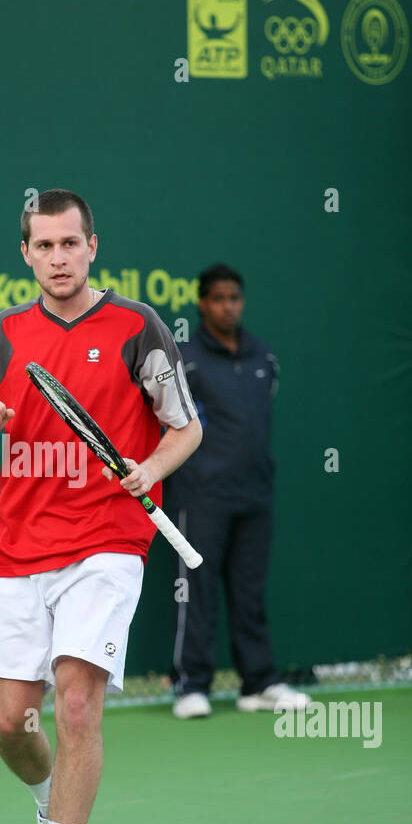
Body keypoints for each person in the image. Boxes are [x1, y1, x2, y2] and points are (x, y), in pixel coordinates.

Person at [0, 189, 202, 824]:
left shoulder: (137, 328)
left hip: (106, 541)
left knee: (76, 702)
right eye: (44, 246)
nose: (58, 258)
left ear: (93, 246)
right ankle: (49, 796)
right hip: (15, 547)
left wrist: (147, 465)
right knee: (8, 721)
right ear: (25, 254)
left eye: (71, 244)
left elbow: (184, 429)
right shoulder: (4, 333)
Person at [165, 263, 308, 719]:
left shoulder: (263, 356)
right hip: (200, 496)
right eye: (219, 299)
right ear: (203, 304)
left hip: (255, 494)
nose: (228, 306)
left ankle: (258, 683)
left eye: (235, 298)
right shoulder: (185, 360)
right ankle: (191, 685)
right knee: (196, 591)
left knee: (249, 592)